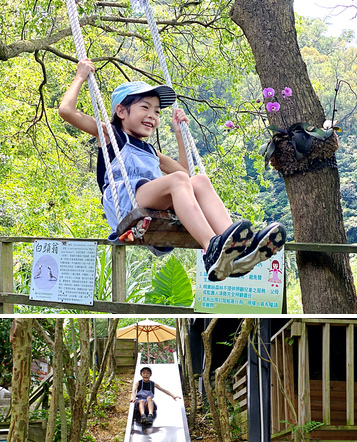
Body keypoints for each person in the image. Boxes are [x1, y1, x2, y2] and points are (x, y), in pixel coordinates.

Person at [57, 58, 287, 281]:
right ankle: (212, 249)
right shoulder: (112, 136)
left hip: (148, 199)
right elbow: (66, 111)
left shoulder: (150, 151)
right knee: (179, 180)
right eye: (145, 107)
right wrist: (80, 77)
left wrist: (179, 134)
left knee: (200, 181)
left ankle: (238, 250)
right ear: (121, 112)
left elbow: (185, 176)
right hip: (126, 202)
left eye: (157, 111)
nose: (152, 116)